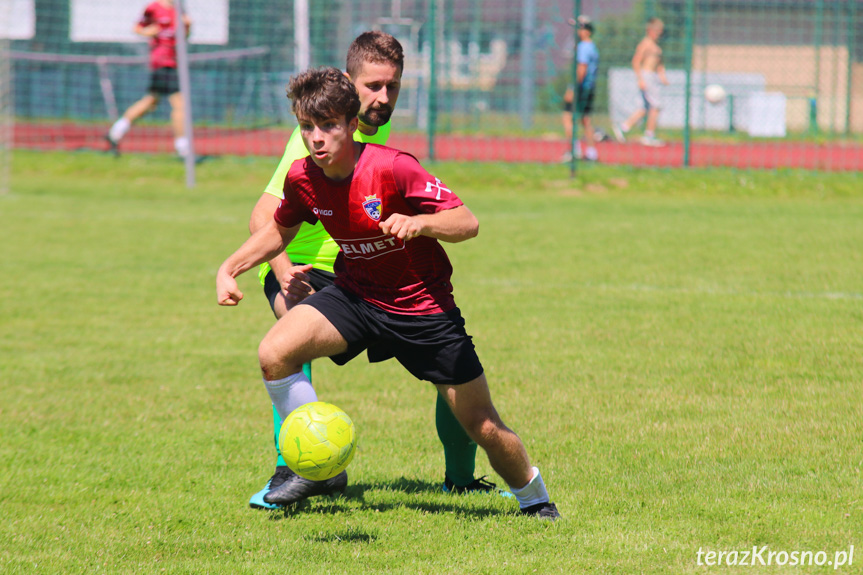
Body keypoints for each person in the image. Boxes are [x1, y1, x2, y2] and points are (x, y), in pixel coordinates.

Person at [216, 67, 559, 520]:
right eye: (306, 127)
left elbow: (468, 222)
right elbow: (279, 230)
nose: (316, 138)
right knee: (275, 352)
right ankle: (316, 467)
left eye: (328, 126)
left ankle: (535, 499)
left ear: (352, 123)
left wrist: (421, 223)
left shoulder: (394, 167)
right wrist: (230, 267)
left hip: (421, 308)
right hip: (356, 296)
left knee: (483, 423)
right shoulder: (304, 177)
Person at [246, 32, 504, 510]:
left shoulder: (373, 131)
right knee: (289, 340)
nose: (382, 98)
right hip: (306, 269)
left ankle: (461, 479)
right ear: (347, 84)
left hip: (364, 265)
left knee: (449, 366)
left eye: (393, 87)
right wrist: (282, 271)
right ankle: (298, 468)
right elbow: (263, 217)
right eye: (372, 86)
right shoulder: (316, 137)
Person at [106, 0, 191, 158]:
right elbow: (138, 28)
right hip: (162, 63)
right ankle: (183, 150)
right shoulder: (154, 8)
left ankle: (115, 132)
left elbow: (183, 38)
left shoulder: (179, 9)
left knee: (150, 102)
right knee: (180, 105)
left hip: (174, 63)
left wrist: (188, 26)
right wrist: (149, 32)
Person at [613, 17, 668, 147]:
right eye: (657, 31)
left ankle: (623, 127)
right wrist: (640, 79)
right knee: (656, 106)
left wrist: (662, 76)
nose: (659, 34)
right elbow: (636, 61)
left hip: (653, 77)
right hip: (647, 76)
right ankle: (649, 135)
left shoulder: (656, 46)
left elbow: (659, 63)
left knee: (644, 108)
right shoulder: (645, 44)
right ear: (650, 30)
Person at [561, 16, 600, 162]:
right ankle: (591, 152)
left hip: (581, 88)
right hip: (589, 87)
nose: (578, 31)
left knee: (567, 117)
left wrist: (573, 88)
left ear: (588, 30)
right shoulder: (592, 47)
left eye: (581, 28)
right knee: (585, 120)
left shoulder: (583, 47)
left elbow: (581, 69)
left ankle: (574, 150)